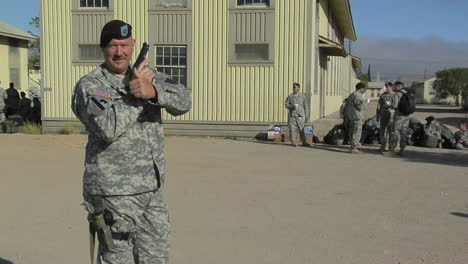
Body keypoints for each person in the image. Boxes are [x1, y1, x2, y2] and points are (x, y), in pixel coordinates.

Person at [71, 20, 191, 264]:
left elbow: (184, 101)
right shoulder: (92, 85)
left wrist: (154, 92)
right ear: (103, 48)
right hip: (112, 193)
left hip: (151, 189)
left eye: (124, 45)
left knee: (156, 257)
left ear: (133, 45)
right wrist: (137, 95)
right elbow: (107, 127)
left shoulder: (148, 76)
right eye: (113, 46)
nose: (119, 52)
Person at [387, 81, 411, 156]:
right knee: (404, 132)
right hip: (406, 116)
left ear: (398, 86)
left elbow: (395, 105)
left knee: (395, 131)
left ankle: (392, 149)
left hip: (399, 116)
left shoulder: (397, 94)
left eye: (395, 86)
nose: (394, 87)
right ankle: (402, 150)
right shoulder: (408, 93)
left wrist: (388, 106)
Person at [345, 82, 369, 154]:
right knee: (356, 132)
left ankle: (352, 146)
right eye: (364, 88)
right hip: (357, 116)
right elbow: (359, 107)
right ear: (361, 88)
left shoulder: (352, 95)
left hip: (352, 116)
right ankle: (354, 148)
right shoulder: (357, 96)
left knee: (352, 131)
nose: (364, 90)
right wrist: (366, 103)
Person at [284, 82, 309, 147]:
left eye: (295, 87)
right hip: (292, 115)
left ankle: (304, 142)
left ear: (298, 88)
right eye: (293, 87)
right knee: (292, 129)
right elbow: (286, 104)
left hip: (300, 115)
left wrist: (307, 116)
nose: (294, 88)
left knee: (301, 129)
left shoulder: (302, 96)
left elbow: (305, 106)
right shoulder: (290, 96)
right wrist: (291, 106)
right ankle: (293, 142)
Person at [376, 82, 394, 152]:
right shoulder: (383, 95)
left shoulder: (395, 95)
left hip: (392, 116)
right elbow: (379, 106)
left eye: (388, 87)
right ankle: (383, 146)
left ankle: (390, 147)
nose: (386, 88)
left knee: (391, 132)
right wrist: (377, 115)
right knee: (382, 131)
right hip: (383, 115)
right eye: (386, 87)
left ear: (391, 87)